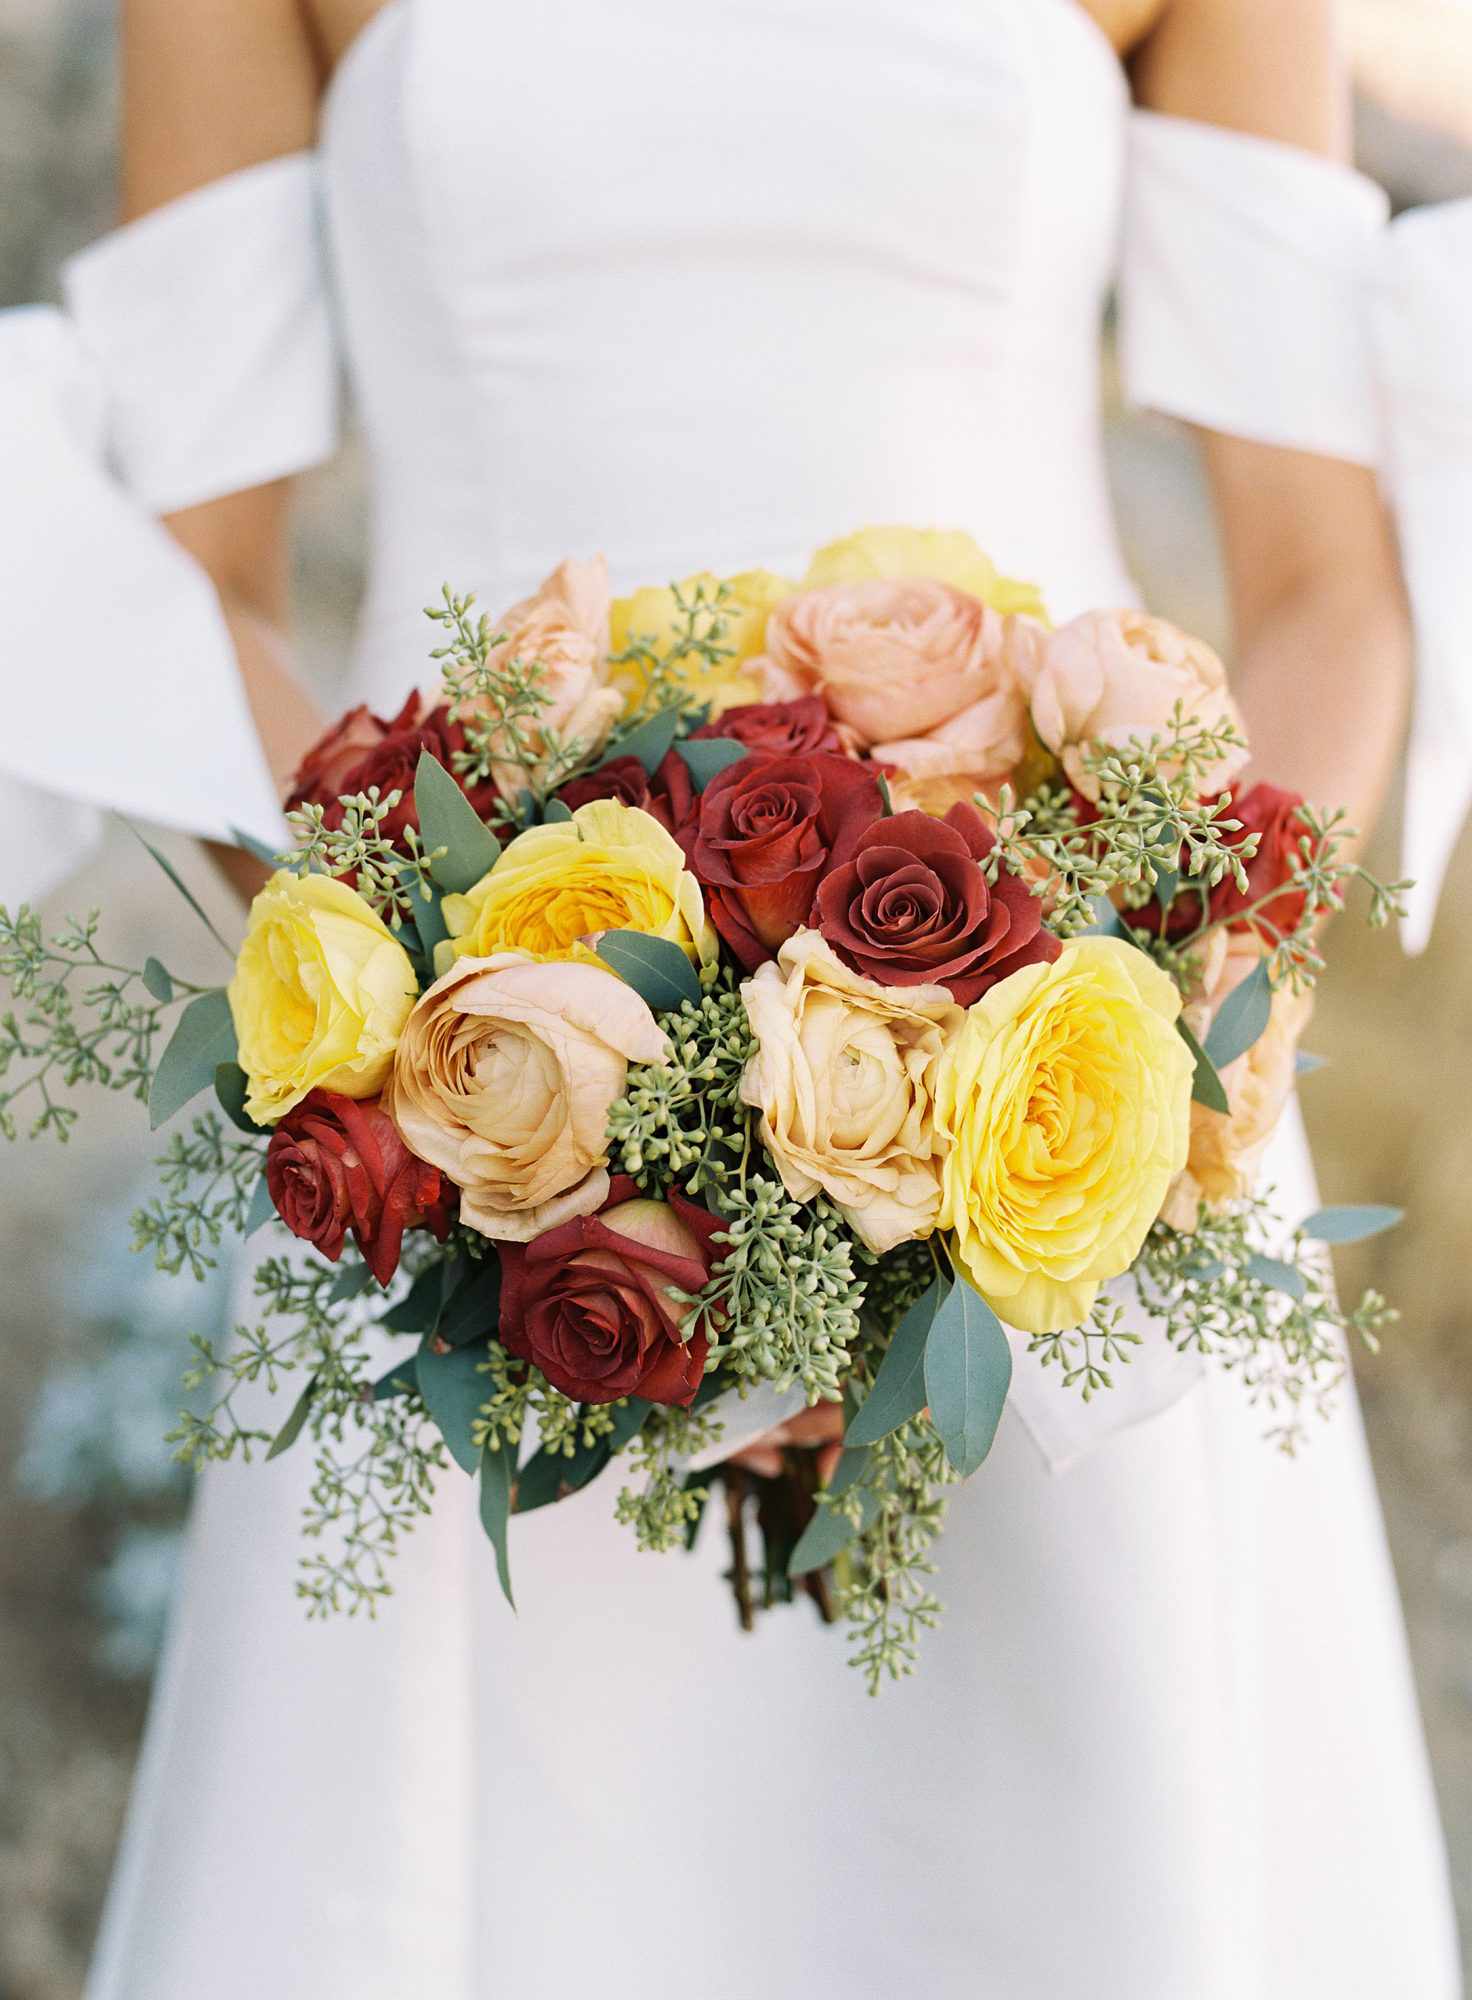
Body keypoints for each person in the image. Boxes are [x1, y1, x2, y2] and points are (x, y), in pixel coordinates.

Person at [2, 0, 1464, 1992]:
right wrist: (462, 1055)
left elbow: (1325, 586)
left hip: (1070, 1130)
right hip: (484, 1146)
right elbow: (209, 576)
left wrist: (1179, 1026)